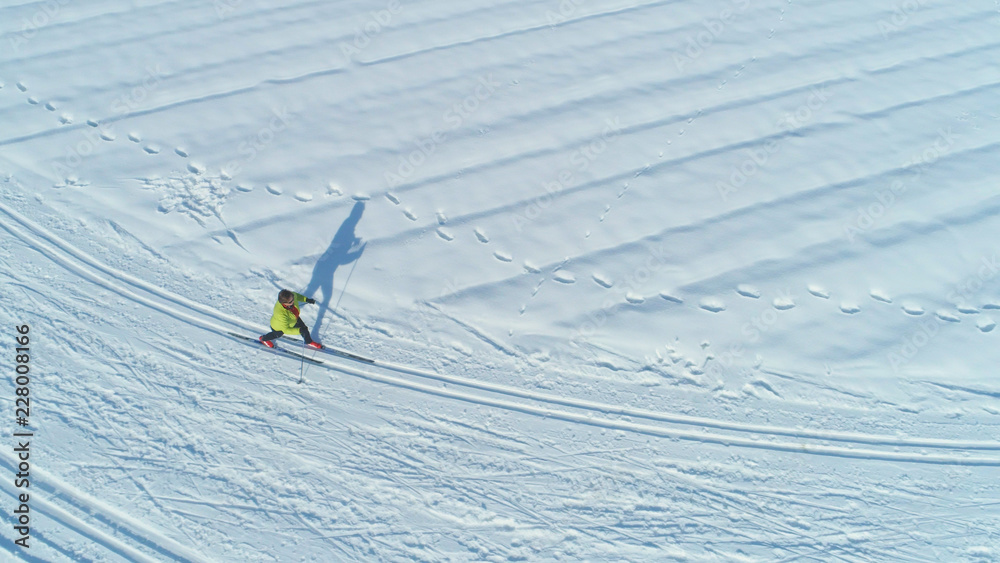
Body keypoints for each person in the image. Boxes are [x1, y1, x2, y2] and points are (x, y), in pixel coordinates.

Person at [259, 289, 324, 350]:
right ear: (284, 303)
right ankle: (264, 339)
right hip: (278, 327)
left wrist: (306, 299)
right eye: (290, 302)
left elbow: (296, 296)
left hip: (293, 319)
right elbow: (285, 330)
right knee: (277, 334)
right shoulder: (280, 314)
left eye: (293, 299)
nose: (293, 301)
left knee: (304, 329)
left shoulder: (291, 297)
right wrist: (299, 330)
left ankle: (309, 342)